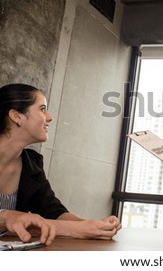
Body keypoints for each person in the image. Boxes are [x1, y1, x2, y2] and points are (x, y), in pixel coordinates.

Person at [0, 83, 122, 245]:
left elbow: (52, 211)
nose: (49, 117)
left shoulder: (32, 164)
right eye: (42, 109)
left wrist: (93, 226)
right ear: (17, 116)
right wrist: (7, 216)